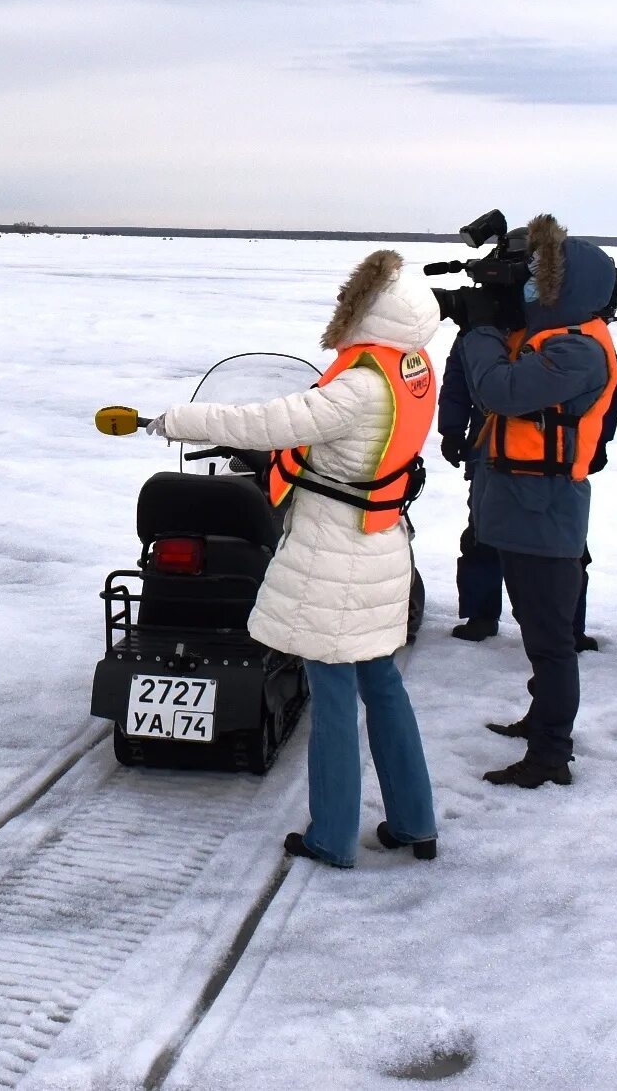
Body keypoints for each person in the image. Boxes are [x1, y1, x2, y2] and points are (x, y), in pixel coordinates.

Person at [151, 251, 441, 867]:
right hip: (380, 543)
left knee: (332, 692)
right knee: (382, 684)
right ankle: (416, 821)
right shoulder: (410, 370)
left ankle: (332, 836)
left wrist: (176, 420)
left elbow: (267, 422)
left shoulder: (358, 386)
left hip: (336, 555)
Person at [459, 215, 617, 789]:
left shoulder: (579, 351)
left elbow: (499, 390)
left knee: (552, 643)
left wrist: (480, 332)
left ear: (565, 289)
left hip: (545, 510)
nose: (528, 290)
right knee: (536, 630)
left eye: (538, 281)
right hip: (524, 504)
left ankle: (551, 754)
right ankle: (540, 721)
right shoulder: (555, 338)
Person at [439, 338, 598, 650]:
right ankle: (481, 614)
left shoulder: (560, 328)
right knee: (481, 535)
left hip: (554, 460)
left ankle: (568, 626)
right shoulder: (479, 330)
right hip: (490, 452)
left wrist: (597, 443)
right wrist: (452, 429)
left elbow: (604, 392)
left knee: (562, 545)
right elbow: (457, 379)